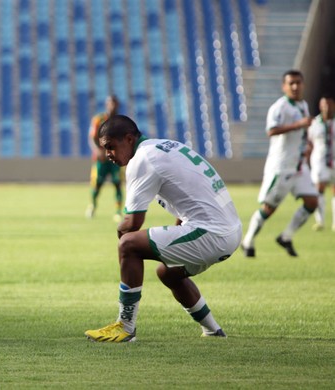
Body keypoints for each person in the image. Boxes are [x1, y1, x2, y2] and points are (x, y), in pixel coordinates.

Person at [84, 115, 241, 342]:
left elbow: (132, 223)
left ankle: (125, 327)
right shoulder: (165, 146)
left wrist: (122, 242)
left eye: (110, 147)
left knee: (128, 244)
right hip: (229, 230)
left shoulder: (142, 159)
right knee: (169, 273)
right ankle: (213, 330)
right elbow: (188, 198)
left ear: (128, 139)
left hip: (212, 232)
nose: (107, 154)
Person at [241, 70, 318, 258]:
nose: (295, 86)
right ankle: (248, 241)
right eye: (291, 83)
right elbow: (271, 130)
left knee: (312, 202)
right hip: (281, 167)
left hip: (299, 167)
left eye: (298, 82)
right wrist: (298, 125)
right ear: (284, 86)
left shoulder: (303, 104)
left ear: (303, 85)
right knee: (269, 208)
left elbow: (302, 130)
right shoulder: (279, 107)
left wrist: (306, 144)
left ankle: (286, 236)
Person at [85, 95, 124, 222]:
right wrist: (98, 150)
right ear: (107, 104)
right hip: (101, 158)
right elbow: (92, 137)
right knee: (97, 184)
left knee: (117, 184)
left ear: (117, 104)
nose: (112, 105)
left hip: (116, 159)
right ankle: (92, 206)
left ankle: (118, 211)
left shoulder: (121, 121)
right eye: (110, 103)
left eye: (114, 103)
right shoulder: (99, 119)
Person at [307, 95, 335, 231]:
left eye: (329, 104)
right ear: (320, 106)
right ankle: (320, 221)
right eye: (324, 104)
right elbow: (309, 143)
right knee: (319, 189)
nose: (327, 107)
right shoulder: (314, 124)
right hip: (319, 161)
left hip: (334, 160)